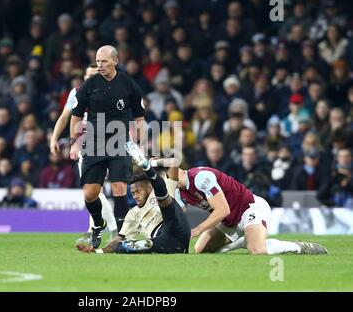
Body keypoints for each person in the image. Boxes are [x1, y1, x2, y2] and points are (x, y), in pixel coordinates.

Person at [70, 45, 145, 248]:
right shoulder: (89, 85)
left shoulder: (129, 85)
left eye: (103, 61)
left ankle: (121, 236)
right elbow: (75, 115)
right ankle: (98, 224)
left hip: (119, 142)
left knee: (119, 187)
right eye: (97, 61)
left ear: (115, 61)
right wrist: (74, 142)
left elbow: (139, 118)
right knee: (90, 193)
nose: (100, 65)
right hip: (94, 143)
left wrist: (140, 143)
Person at [175, 166, 328, 255]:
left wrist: (197, 230)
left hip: (249, 209)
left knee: (257, 250)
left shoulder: (200, 177)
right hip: (229, 221)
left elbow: (223, 210)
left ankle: (298, 247)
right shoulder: (178, 191)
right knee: (200, 249)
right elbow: (176, 219)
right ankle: (242, 242)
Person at [76, 142, 190, 254]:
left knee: (166, 200)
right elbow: (119, 239)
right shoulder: (133, 214)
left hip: (176, 228)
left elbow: (173, 162)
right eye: (133, 193)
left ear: (149, 188)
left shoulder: (155, 192)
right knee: (124, 247)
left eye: (138, 191)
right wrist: (98, 251)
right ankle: (147, 167)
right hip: (163, 242)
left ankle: (147, 167)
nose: (135, 196)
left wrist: (153, 162)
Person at [49, 64, 118, 242]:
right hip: (84, 147)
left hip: (107, 145)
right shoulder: (77, 93)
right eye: (88, 75)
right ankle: (108, 230)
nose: (91, 78)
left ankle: (105, 229)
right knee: (94, 190)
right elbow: (65, 116)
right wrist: (54, 138)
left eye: (95, 75)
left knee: (95, 190)